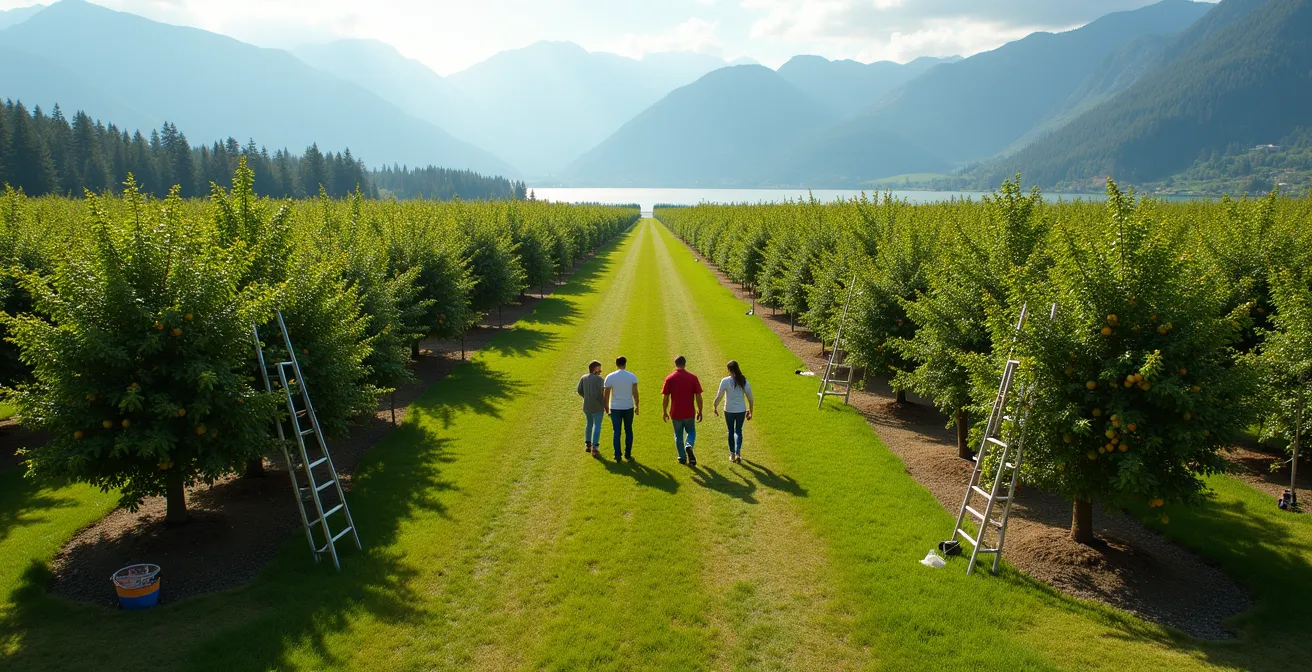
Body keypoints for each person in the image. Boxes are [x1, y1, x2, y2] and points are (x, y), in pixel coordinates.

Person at [661, 355, 703, 466]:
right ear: (685, 363)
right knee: (691, 431)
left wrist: (664, 411)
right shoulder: (693, 378)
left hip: (676, 412)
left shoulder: (670, 378)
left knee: (678, 435)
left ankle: (682, 457)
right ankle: (689, 445)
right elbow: (698, 396)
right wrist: (700, 411)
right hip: (689, 412)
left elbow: (665, 397)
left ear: (675, 364)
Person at [712, 360, 754, 463]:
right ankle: (738, 452)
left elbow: (719, 396)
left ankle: (732, 454)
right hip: (741, 410)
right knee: (738, 430)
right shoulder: (744, 381)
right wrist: (751, 411)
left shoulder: (725, 381)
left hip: (729, 410)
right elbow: (751, 398)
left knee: (730, 431)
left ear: (729, 370)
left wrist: (715, 406)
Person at [603, 356, 639, 462]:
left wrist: (606, 408)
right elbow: (635, 393)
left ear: (616, 364)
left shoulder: (610, 377)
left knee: (616, 431)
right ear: (625, 363)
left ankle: (617, 455)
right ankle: (628, 454)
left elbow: (606, 394)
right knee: (628, 430)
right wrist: (637, 405)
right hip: (628, 406)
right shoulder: (632, 376)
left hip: (615, 407)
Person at [577, 360, 605, 457]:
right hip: (598, 406)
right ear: (595, 369)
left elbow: (579, 390)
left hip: (587, 406)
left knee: (589, 423)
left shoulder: (583, 378)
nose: (600, 371)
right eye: (599, 369)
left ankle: (588, 444)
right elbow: (603, 394)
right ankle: (595, 447)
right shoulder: (601, 380)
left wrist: (586, 397)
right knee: (597, 425)